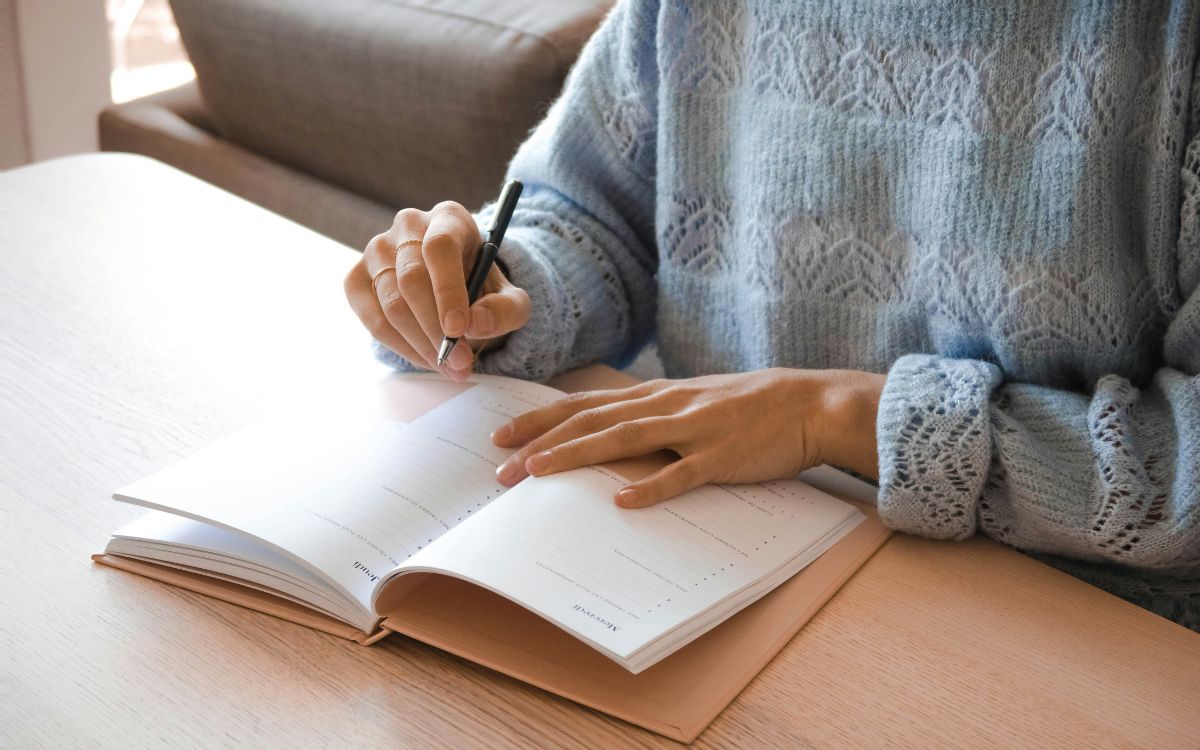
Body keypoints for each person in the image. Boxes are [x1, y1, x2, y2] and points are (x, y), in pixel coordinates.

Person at [345, 1, 1199, 629]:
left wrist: (834, 416)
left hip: (1074, 621)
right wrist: (500, 289)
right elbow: (596, 218)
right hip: (702, 561)